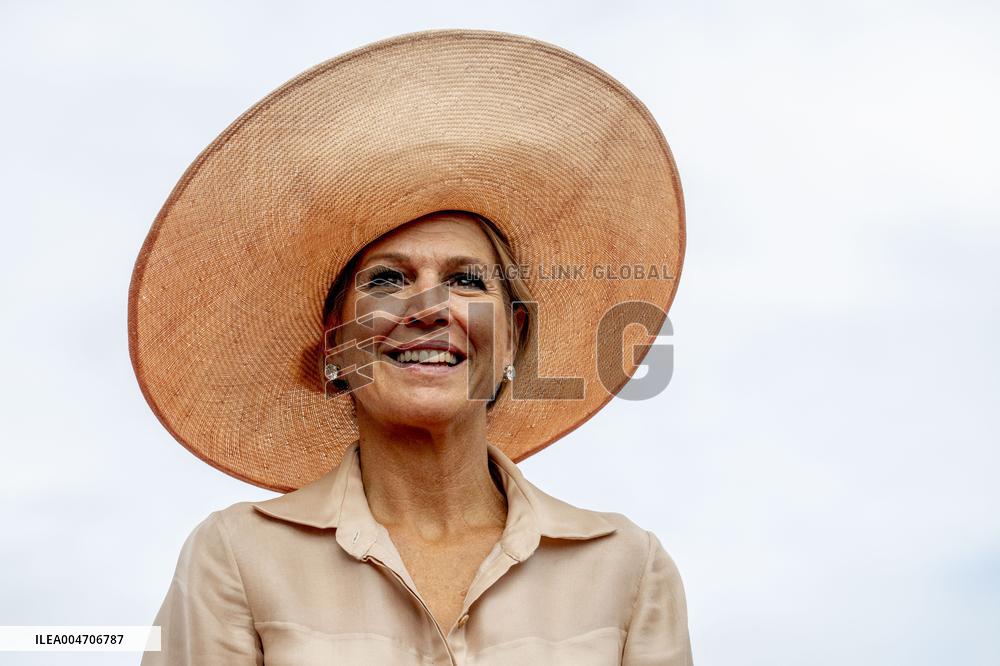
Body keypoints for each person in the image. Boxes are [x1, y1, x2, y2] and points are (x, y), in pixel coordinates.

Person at [131, 29, 692, 665]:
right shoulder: (235, 556)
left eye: (465, 280)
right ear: (335, 347)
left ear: (514, 336)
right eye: (389, 279)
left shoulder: (626, 567)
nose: (429, 309)